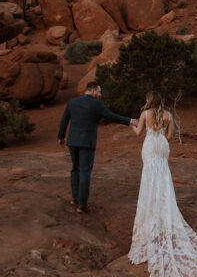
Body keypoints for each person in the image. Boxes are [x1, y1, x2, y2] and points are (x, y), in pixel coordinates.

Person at [128, 92, 197, 277]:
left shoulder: (144, 114)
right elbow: (169, 135)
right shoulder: (168, 115)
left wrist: (131, 125)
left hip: (149, 146)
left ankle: (151, 211)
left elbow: (138, 133)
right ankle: (164, 208)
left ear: (149, 101)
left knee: (150, 178)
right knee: (163, 178)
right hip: (162, 146)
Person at [58, 81, 138, 213]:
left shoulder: (72, 102)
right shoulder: (96, 104)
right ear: (93, 90)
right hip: (87, 143)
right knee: (85, 172)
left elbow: (64, 120)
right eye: (99, 92)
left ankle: (75, 197)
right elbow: (112, 116)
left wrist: (61, 137)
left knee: (75, 169)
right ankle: (82, 204)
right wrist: (130, 121)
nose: (100, 94)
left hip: (73, 141)